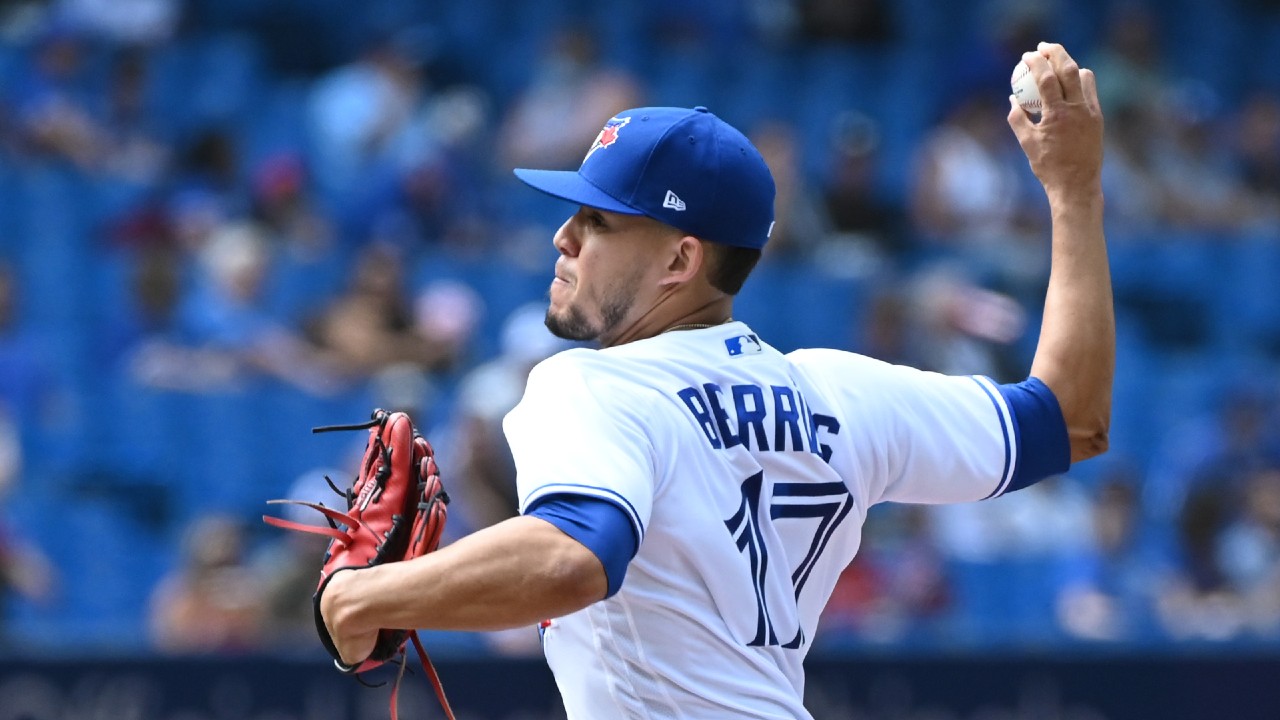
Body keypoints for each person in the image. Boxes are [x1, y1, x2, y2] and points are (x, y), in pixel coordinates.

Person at [320, 43, 1111, 718]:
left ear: (679, 259)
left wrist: (360, 598)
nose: (562, 236)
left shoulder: (597, 387)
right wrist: (1074, 194)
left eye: (598, 221)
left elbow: (574, 559)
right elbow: (1071, 420)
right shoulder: (840, 393)